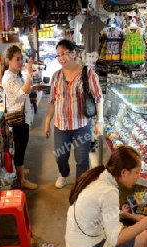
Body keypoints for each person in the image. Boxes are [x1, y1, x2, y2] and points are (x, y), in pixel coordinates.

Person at [44, 39, 104, 188]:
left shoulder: (88, 74)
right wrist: (47, 122)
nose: (60, 58)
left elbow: (98, 98)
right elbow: (51, 101)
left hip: (81, 125)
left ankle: (80, 184)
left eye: (63, 54)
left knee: (82, 159)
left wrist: (99, 121)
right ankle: (63, 174)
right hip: (60, 125)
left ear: (73, 53)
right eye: (58, 55)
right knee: (60, 157)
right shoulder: (56, 76)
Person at [2, 45, 40, 190]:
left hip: (23, 116)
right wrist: (29, 73)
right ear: (8, 60)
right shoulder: (8, 78)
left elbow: (27, 89)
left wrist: (31, 84)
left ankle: (20, 169)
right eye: (17, 59)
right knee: (20, 149)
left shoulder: (15, 75)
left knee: (21, 147)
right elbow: (23, 93)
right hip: (18, 119)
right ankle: (21, 180)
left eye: (21, 59)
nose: (20, 62)